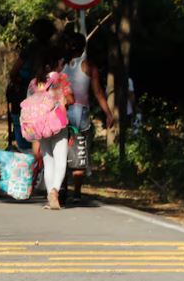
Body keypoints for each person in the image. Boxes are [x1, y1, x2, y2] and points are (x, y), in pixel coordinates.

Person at [60, 30, 115, 203]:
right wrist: (108, 113)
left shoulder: (61, 64)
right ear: (83, 46)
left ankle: (61, 189)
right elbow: (98, 92)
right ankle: (76, 193)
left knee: (60, 151)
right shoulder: (89, 66)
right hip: (80, 113)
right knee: (79, 152)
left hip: (60, 112)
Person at [27, 46, 74, 210]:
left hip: (40, 126)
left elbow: (30, 102)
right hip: (58, 124)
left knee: (48, 161)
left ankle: (50, 197)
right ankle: (54, 191)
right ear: (55, 63)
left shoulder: (34, 82)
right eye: (60, 61)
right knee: (61, 159)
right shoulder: (60, 78)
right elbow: (71, 99)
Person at [7, 18, 56, 153]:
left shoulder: (28, 49)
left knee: (23, 130)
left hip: (23, 98)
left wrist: (19, 83)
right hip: (47, 100)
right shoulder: (54, 50)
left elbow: (13, 72)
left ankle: (28, 163)